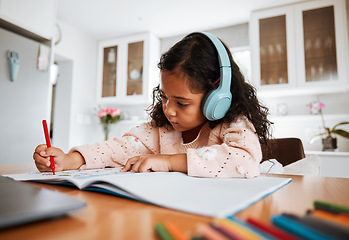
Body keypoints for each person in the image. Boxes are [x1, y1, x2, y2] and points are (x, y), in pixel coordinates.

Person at [33, 32, 271, 178]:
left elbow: (245, 161)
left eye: (182, 103)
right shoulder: (162, 129)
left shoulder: (233, 124)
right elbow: (118, 148)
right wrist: (72, 160)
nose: (169, 109)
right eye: (165, 97)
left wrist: (168, 162)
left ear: (217, 99)